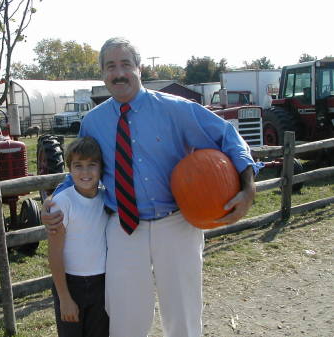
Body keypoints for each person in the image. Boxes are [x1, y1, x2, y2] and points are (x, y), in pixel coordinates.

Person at [43, 37, 261, 337]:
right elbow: (82, 169)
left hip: (176, 223)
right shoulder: (93, 122)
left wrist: (248, 187)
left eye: (125, 64)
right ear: (103, 74)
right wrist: (54, 201)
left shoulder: (176, 109)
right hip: (123, 227)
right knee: (124, 318)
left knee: (183, 316)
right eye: (110, 67)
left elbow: (228, 136)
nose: (119, 73)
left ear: (139, 68)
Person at [47, 136, 109, 337]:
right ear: (69, 168)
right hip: (71, 284)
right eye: (78, 165)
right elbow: (54, 253)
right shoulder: (62, 203)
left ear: (101, 168)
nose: (85, 172)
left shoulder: (107, 200)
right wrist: (64, 298)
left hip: (102, 284)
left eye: (92, 165)